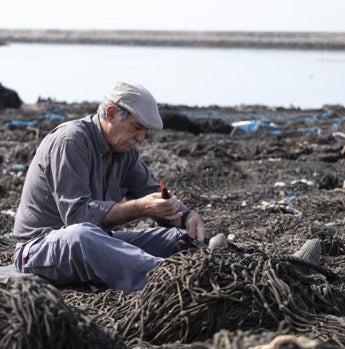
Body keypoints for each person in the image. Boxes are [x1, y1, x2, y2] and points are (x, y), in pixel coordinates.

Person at [12, 81, 205, 294]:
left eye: (145, 131)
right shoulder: (70, 141)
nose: (141, 138)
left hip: (96, 240)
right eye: (137, 127)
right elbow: (77, 216)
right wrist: (141, 208)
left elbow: (151, 192)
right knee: (82, 235)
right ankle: (167, 280)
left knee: (176, 238)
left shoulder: (125, 152)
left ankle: (193, 264)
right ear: (111, 114)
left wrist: (186, 216)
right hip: (40, 248)